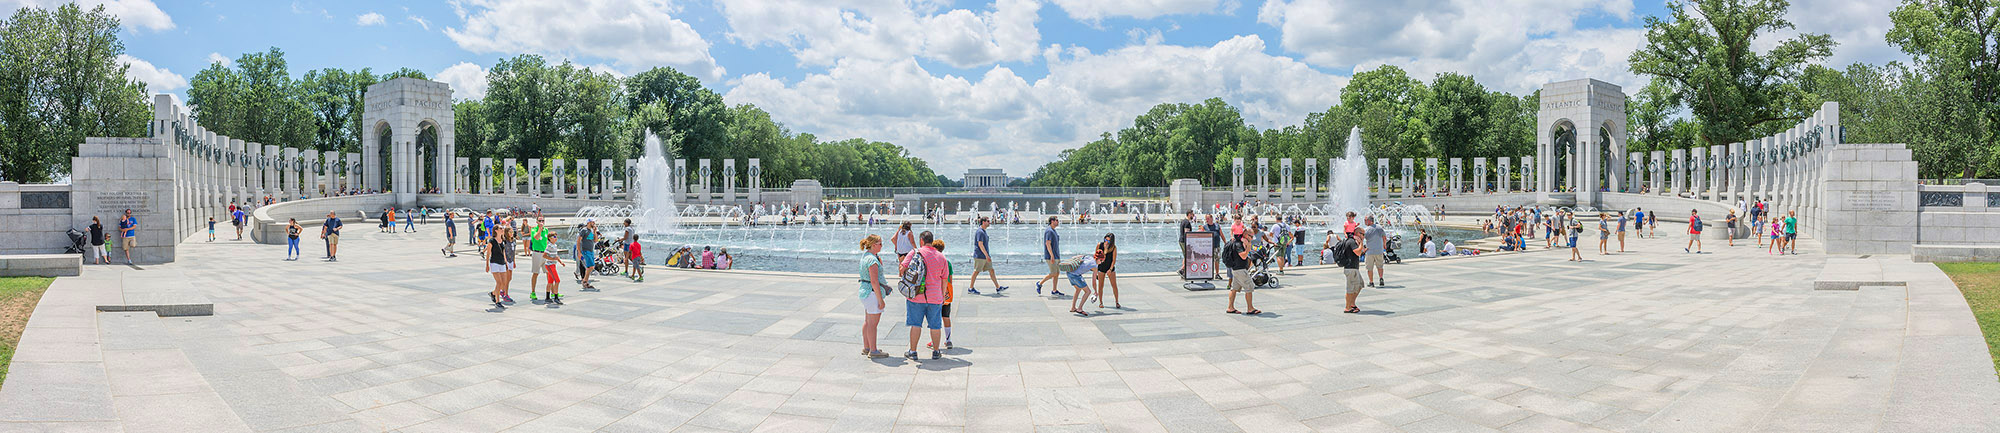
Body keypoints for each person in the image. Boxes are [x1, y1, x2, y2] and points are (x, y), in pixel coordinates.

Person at [904, 232, 947, 360]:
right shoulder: (941, 257)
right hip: (935, 296)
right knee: (935, 325)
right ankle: (936, 351)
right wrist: (942, 295)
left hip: (916, 295)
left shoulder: (914, 253)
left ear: (921, 241)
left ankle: (913, 352)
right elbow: (945, 279)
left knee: (916, 324)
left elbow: (902, 268)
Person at [858, 235, 889, 358]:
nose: (882, 246)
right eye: (880, 243)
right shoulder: (872, 261)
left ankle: (867, 347)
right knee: (873, 324)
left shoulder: (866, 256)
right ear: (874, 245)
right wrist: (880, 300)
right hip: (872, 293)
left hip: (865, 291)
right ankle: (874, 350)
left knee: (867, 321)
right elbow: (874, 281)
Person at [1222, 226, 1259, 315]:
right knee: (1249, 287)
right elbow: (1243, 256)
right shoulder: (1238, 244)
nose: (1252, 238)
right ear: (1246, 235)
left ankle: (1230, 307)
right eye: (1251, 236)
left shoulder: (1238, 242)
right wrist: (1249, 245)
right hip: (1240, 270)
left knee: (1234, 288)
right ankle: (1250, 308)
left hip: (1236, 269)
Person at [967, 217, 1005, 294]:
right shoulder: (980, 232)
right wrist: (987, 255)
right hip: (980, 256)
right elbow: (980, 244)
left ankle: (998, 287)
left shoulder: (983, 231)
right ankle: (971, 288)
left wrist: (987, 255)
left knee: (991, 270)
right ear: (983, 222)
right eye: (988, 221)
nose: (989, 222)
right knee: (976, 271)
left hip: (985, 256)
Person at [1332, 227, 1364, 313]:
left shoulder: (1353, 241)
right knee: (1350, 288)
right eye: (1362, 234)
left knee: (1360, 285)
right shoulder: (1352, 242)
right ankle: (1347, 307)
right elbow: (1358, 252)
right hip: (1351, 268)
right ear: (1358, 234)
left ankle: (1352, 303)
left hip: (1353, 268)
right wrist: (1361, 242)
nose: (1363, 236)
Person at [1034, 217, 1065, 297]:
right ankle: (1040, 283)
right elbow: (1048, 243)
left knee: (1057, 273)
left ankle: (1054, 290)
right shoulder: (1049, 231)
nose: (1058, 222)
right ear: (1052, 221)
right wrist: (1051, 255)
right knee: (1053, 273)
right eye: (1056, 220)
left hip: (1056, 255)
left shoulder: (1053, 230)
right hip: (1051, 256)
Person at [483, 225, 512, 310]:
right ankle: (497, 301)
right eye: (501, 228)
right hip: (494, 262)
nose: (502, 230)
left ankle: (493, 293)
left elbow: (503, 252)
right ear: (496, 230)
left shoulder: (503, 240)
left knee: (503, 282)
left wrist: (506, 262)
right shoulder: (491, 241)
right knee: (499, 282)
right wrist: (487, 264)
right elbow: (488, 253)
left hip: (502, 262)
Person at [1067, 250, 1098, 316]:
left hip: (1069, 272)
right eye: (1101, 261)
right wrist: (1095, 291)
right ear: (1099, 259)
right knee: (1088, 292)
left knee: (1078, 289)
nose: (1101, 263)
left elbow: (1076, 257)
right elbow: (1094, 282)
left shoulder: (1089, 257)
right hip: (1075, 276)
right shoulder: (1095, 266)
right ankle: (1079, 308)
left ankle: (1073, 307)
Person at [527, 218, 551, 300]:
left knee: (549, 272)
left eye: (542, 221)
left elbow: (546, 241)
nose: (541, 222)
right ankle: (533, 292)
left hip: (545, 253)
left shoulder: (546, 230)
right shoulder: (534, 229)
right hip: (537, 253)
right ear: (537, 222)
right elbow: (536, 238)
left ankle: (551, 291)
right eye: (540, 221)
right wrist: (540, 229)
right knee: (535, 273)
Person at [1094, 234, 1120, 309]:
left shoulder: (1113, 248)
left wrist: (1110, 269)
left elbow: (1113, 260)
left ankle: (1117, 301)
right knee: (1100, 286)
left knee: (1114, 285)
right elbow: (1096, 257)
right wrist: (1095, 269)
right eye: (1105, 240)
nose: (1106, 242)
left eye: (1108, 240)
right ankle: (1101, 302)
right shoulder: (1100, 245)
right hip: (1101, 267)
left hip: (1110, 267)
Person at [1362, 216, 1386, 287]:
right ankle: (1381, 278)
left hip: (1370, 251)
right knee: (1380, 266)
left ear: (1369, 221)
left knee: (1369, 268)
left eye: (1365, 220)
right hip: (1379, 250)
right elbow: (1384, 237)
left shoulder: (1366, 230)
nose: (1364, 221)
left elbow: (1362, 239)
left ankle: (1371, 282)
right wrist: (1384, 245)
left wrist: (1363, 249)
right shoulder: (1379, 228)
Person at [576, 220, 598, 290]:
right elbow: (578, 241)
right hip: (585, 251)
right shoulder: (584, 230)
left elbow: (596, 240)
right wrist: (579, 252)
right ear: (588, 223)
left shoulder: (591, 231)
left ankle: (585, 281)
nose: (594, 223)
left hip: (591, 251)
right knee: (590, 266)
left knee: (591, 267)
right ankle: (585, 281)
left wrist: (595, 231)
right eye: (592, 222)